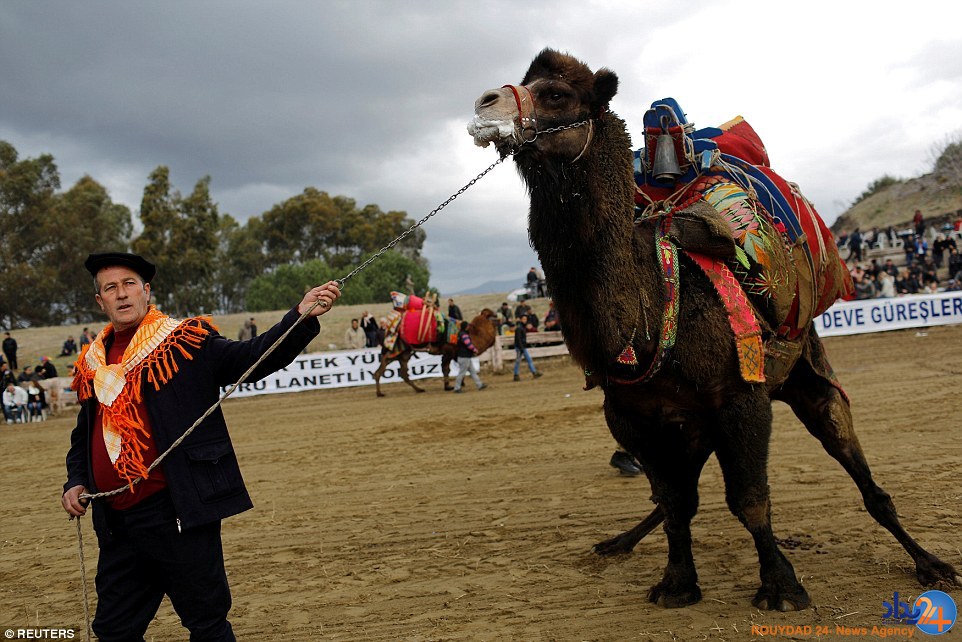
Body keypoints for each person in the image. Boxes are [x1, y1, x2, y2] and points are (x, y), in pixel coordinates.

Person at [61, 251, 340, 641]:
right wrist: (75, 480)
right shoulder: (93, 362)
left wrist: (301, 316)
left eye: (129, 284)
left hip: (177, 513)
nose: (121, 294)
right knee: (112, 631)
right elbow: (85, 434)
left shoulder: (184, 341)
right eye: (111, 288)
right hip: (117, 523)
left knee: (206, 623)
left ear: (146, 291)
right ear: (100, 301)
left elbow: (251, 357)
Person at [452, 321, 487, 393]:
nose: (468, 328)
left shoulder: (460, 334)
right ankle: (457, 388)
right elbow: (468, 344)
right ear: (465, 327)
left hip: (463, 356)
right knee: (462, 373)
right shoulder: (464, 335)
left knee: (472, 371)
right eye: (467, 326)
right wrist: (475, 349)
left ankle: (479, 384)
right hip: (464, 357)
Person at [512, 314, 542, 381]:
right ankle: (516, 375)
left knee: (526, 360)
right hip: (521, 347)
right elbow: (518, 339)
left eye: (525, 319)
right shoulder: (520, 328)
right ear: (521, 319)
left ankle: (533, 372)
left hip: (521, 347)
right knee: (520, 361)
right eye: (523, 319)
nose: (525, 320)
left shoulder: (521, 327)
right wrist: (522, 348)